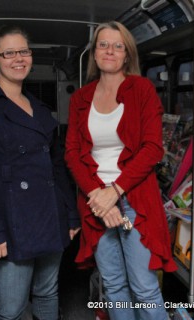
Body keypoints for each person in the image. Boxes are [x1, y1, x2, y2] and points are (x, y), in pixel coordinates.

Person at [0, 25, 81, 320]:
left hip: (50, 218)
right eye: (8, 53)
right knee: (11, 308)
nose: (18, 58)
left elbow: (56, 167)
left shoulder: (39, 108)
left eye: (23, 51)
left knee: (48, 293)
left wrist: (71, 215)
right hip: (10, 225)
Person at [65, 21, 176, 320]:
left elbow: (153, 149)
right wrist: (98, 197)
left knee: (144, 287)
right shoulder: (80, 98)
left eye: (118, 45)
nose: (110, 51)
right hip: (95, 202)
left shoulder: (142, 90)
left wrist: (113, 192)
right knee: (113, 285)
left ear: (127, 55)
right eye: (103, 44)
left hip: (134, 199)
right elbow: (73, 154)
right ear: (95, 53)